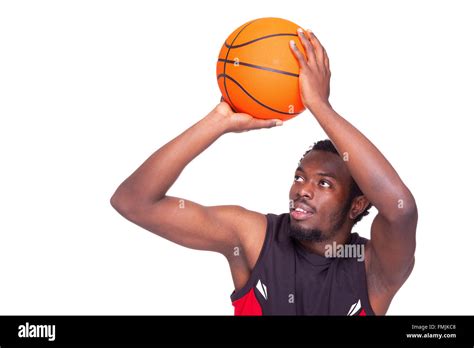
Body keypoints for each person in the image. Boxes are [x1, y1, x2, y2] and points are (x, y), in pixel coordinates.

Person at [110, 28, 417, 315]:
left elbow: (400, 210)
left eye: (324, 183)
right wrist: (217, 122)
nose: (302, 190)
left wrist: (320, 106)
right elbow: (133, 202)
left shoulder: (372, 267)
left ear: (358, 204)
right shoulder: (254, 238)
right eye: (299, 177)